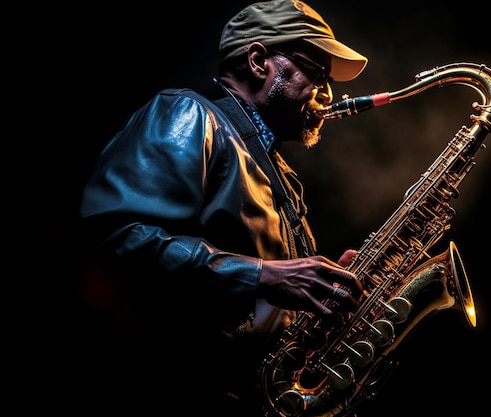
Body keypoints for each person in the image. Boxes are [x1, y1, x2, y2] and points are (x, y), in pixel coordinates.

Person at [76, 1, 369, 415]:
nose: (328, 94)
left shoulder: (280, 176)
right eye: (317, 74)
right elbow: (117, 236)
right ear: (258, 61)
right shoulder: (188, 113)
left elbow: (266, 307)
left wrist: (317, 307)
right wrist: (262, 275)